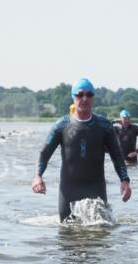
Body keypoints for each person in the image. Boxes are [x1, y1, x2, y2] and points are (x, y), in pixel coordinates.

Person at [31, 78, 132, 221]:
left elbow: (117, 156)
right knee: (67, 234)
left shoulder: (104, 126)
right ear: (73, 97)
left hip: (96, 188)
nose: (84, 98)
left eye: (89, 95)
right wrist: (37, 176)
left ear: (93, 98)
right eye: (80, 94)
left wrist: (125, 180)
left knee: (100, 233)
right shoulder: (62, 125)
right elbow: (44, 153)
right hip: (69, 189)